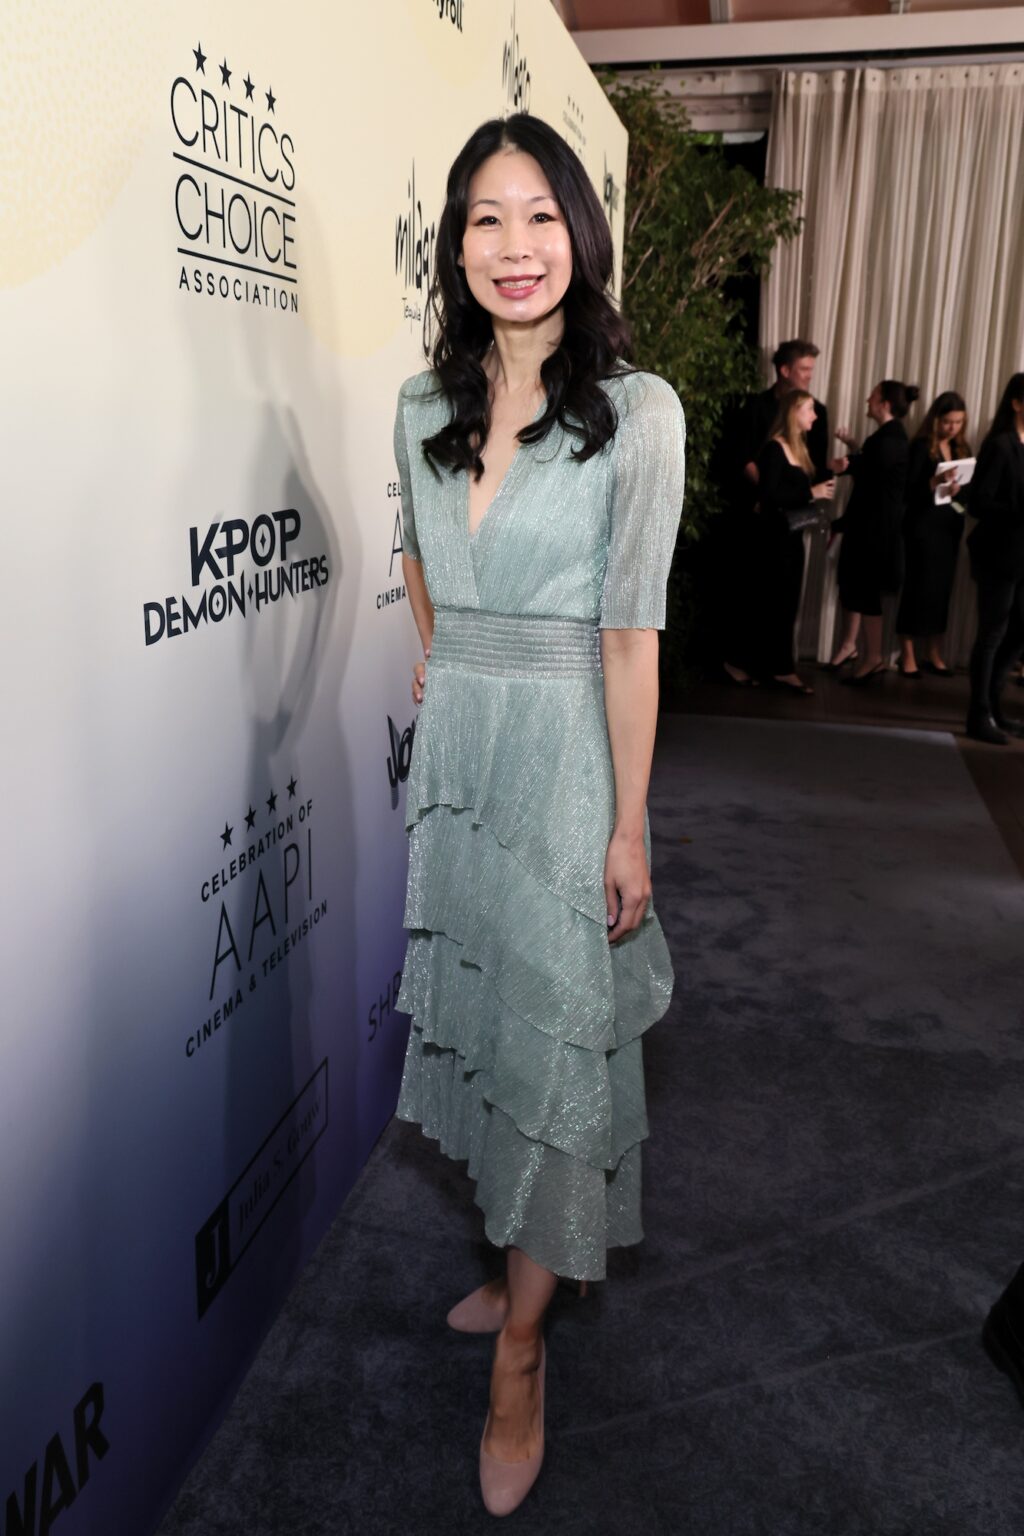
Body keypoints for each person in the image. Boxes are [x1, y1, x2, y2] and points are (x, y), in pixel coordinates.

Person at [393, 113, 686, 1515]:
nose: (514, 247)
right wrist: (444, 660)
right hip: (465, 759)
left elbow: (631, 639)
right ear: (454, 245)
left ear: (581, 227)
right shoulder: (415, 407)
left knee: (558, 1050)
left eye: (539, 215)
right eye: (484, 220)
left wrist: (628, 823)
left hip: (570, 764)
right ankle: (506, 1256)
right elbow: (422, 561)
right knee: (491, 1029)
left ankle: (523, 1350)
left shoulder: (641, 415)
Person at [721, 340, 836, 685]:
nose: (809, 377)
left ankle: (779, 666)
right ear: (785, 371)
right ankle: (748, 663)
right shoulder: (755, 409)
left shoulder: (816, 417)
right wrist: (770, 492)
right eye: (804, 370)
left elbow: (811, 467)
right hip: (760, 520)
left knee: (782, 598)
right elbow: (744, 457)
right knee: (756, 596)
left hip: (788, 520)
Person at [828, 380, 918, 684]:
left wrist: (847, 464)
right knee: (865, 594)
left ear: (885, 404)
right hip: (875, 529)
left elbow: (869, 484)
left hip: (875, 531)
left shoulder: (889, 439)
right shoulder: (888, 437)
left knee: (865, 593)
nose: (868, 399)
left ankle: (874, 657)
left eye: (874, 396)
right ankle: (869, 656)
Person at [753, 390, 835, 693]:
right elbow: (770, 496)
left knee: (784, 604)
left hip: (790, 538)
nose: (814, 416)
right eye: (809, 410)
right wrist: (811, 494)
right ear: (794, 413)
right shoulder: (776, 450)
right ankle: (780, 669)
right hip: (775, 540)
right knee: (777, 604)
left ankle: (778, 667)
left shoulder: (795, 448)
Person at [965, 372, 1024, 744]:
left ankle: (995, 703)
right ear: (1017, 403)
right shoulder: (1001, 446)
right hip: (999, 553)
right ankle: (978, 713)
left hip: (1023, 555)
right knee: (993, 632)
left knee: (1020, 632)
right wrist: (1020, 508)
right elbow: (978, 503)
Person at [896, 392, 971, 678]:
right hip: (923, 526)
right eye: (948, 422)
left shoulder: (962, 448)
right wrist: (933, 481)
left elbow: (969, 494)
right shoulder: (920, 447)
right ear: (936, 419)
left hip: (949, 526)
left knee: (942, 591)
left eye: (959, 422)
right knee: (918, 588)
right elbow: (907, 492)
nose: (953, 428)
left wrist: (959, 491)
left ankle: (934, 651)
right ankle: (908, 653)